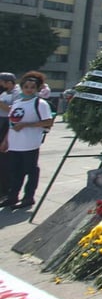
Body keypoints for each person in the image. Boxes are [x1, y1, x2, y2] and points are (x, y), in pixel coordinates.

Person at [0, 71, 54, 210]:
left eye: (32, 87)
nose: (29, 89)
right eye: (26, 87)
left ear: (37, 89)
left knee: (30, 170)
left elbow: (48, 122)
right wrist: (6, 141)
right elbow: (12, 123)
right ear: (22, 87)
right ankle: (13, 196)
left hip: (29, 144)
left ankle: (28, 197)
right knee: (14, 171)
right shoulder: (17, 102)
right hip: (14, 144)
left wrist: (26, 125)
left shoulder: (40, 103)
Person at [0, 72, 21, 198]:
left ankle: (6, 189)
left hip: (8, 126)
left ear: (8, 82)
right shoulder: (4, 92)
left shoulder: (18, 93)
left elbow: (16, 113)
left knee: (5, 161)